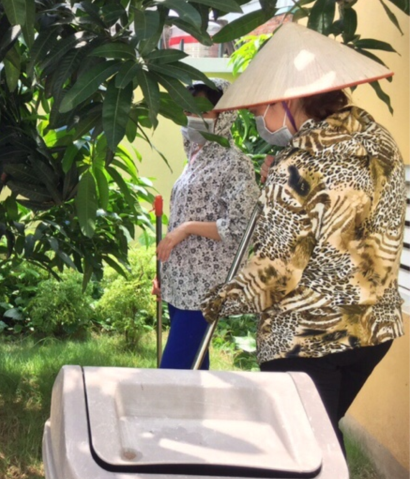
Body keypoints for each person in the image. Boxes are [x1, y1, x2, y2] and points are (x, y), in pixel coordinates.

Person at [201, 23, 403, 452]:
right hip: (373, 329)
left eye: (262, 108)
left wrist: (217, 301)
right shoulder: (380, 141)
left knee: (306, 451)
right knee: (323, 432)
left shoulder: (298, 166)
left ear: (289, 99)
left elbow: (274, 277)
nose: (259, 119)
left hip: (309, 337)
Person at [151, 79, 260, 369]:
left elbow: (240, 228)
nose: (193, 118)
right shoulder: (196, 157)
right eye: (188, 110)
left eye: (202, 111)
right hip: (181, 284)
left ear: (224, 115)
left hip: (203, 290)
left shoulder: (235, 163)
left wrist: (187, 228)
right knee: (194, 372)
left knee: (172, 374)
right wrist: (165, 274)